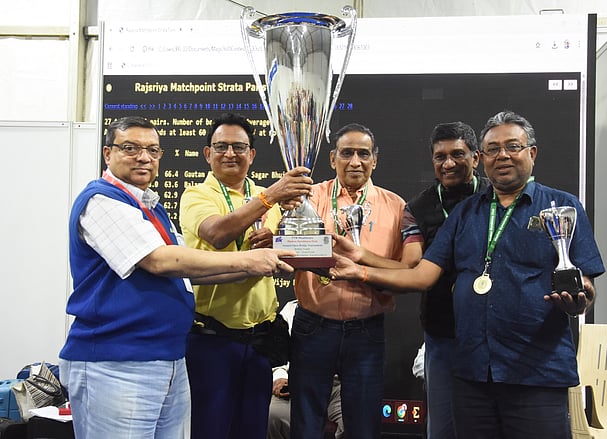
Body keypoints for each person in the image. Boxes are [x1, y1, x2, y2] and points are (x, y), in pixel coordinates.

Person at [330, 111, 605, 439]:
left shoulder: (562, 207)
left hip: (536, 370)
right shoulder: (465, 213)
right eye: (493, 149)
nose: (502, 155)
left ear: (531, 152)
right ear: (483, 158)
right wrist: (360, 269)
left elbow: (585, 281)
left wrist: (580, 299)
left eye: (512, 147)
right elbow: (421, 275)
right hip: (473, 372)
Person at [59, 116, 293, 439]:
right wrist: (250, 260)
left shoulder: (151, 208)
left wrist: (266, 262)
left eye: (152, 150)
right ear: (107, 153)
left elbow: (189, 272)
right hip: (118, 363)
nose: (144, 157)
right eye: (130, 148)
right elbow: (159, 261)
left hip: (167, 357)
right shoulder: (101, 200)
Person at [178, 112, 313, 439]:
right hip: (212, 340)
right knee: (210, 431)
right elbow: (217, 234)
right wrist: (270, 197)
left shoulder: (268, 198)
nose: (230, 153)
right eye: (221, 146)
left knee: (252, 430)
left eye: (239, 147)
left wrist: (275, 240)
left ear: (251, 154)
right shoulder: (197, 195)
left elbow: (283, 252)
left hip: (259, 342)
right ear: (207, 153)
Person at [289, 123, 406, 439]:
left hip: (366, 330)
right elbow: (287, 249)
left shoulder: (396, 207)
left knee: (364, 426)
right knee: (305, 424)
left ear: (375, 160)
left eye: (363, 154)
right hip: (313, 326)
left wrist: (365, 267)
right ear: (332, 158)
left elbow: (404, 271)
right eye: (347, 153)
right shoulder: (307, 198)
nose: (355, 161)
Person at [402, 121, 490, 439]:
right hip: (442, 332)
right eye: (440, 157)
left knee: (489, 424)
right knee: (442, 428)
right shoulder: (417, 207)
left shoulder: (496, 196)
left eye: (457, 154)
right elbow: (411, 264)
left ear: (476, 157)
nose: (448, 163)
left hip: (491, 332)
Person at [268, 300, 343, 439]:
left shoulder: (348, 311)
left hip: (337, 385)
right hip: (296, 384)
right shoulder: (291, 309)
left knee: (355, 421)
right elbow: (278, 354)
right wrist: (280, 376)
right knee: (273, 415)